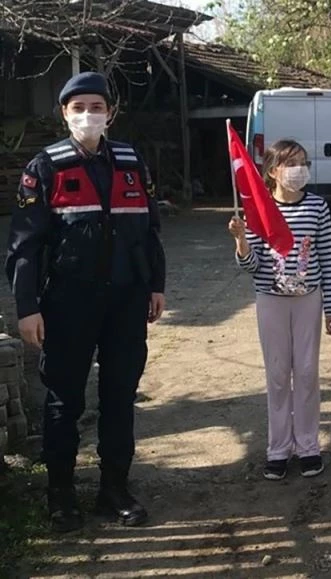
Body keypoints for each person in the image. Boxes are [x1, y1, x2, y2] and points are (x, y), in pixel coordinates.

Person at [5, 72, 166, 532]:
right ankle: (61, 496)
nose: (88, 115)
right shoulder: (45, 167)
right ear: (64, 113)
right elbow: (24, 246)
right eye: (78, 108)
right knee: (64, 400)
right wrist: (27, 307)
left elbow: (150, 230)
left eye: (96, 107)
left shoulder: (132, 162)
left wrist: (156, 285)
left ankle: (114, 490)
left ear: (110, 113)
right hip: (67, 303)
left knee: (120, 396)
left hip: (126, 301)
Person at [228, 139, 331, 481]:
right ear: (273, 170)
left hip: (308, 300)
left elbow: (327, 257)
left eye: (303, 162)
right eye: (291, 163)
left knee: (306, 373)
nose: (299, 170)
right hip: (271, 300)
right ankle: (278, 449)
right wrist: (241, 240)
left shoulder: (317, 206)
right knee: (278, 375)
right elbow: (250, 266)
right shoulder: (258, 208)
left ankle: (308, 446)